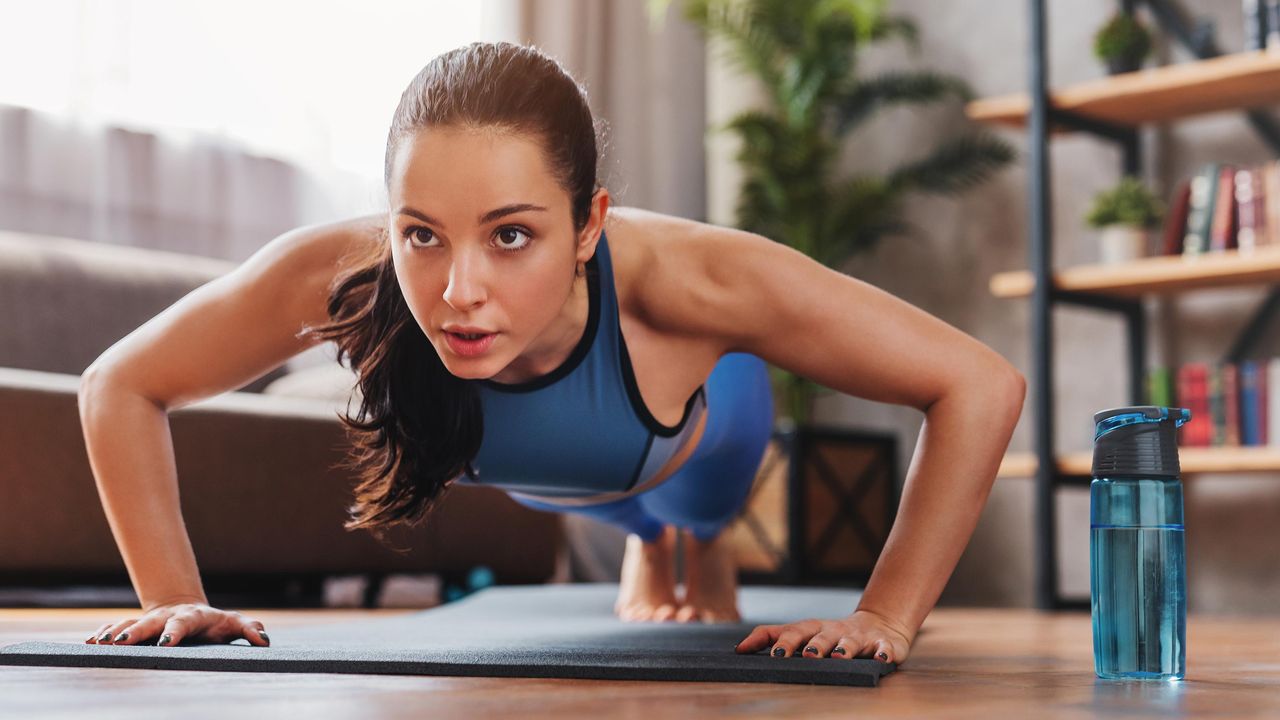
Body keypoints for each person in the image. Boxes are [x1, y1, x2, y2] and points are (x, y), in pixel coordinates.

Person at [80, 41, 1024, 666]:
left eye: (512, 235)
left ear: (587, 227)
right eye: (422, 234)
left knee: (695, 503)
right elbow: (120, 383)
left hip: (696, 426)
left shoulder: (696, 280)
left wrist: (886, 615)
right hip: (553, 468)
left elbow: (977, 383)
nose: (459, 290)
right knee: (603, 499)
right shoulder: (340, 273)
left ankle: (690, 537)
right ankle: (649, 543)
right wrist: (172, 597)